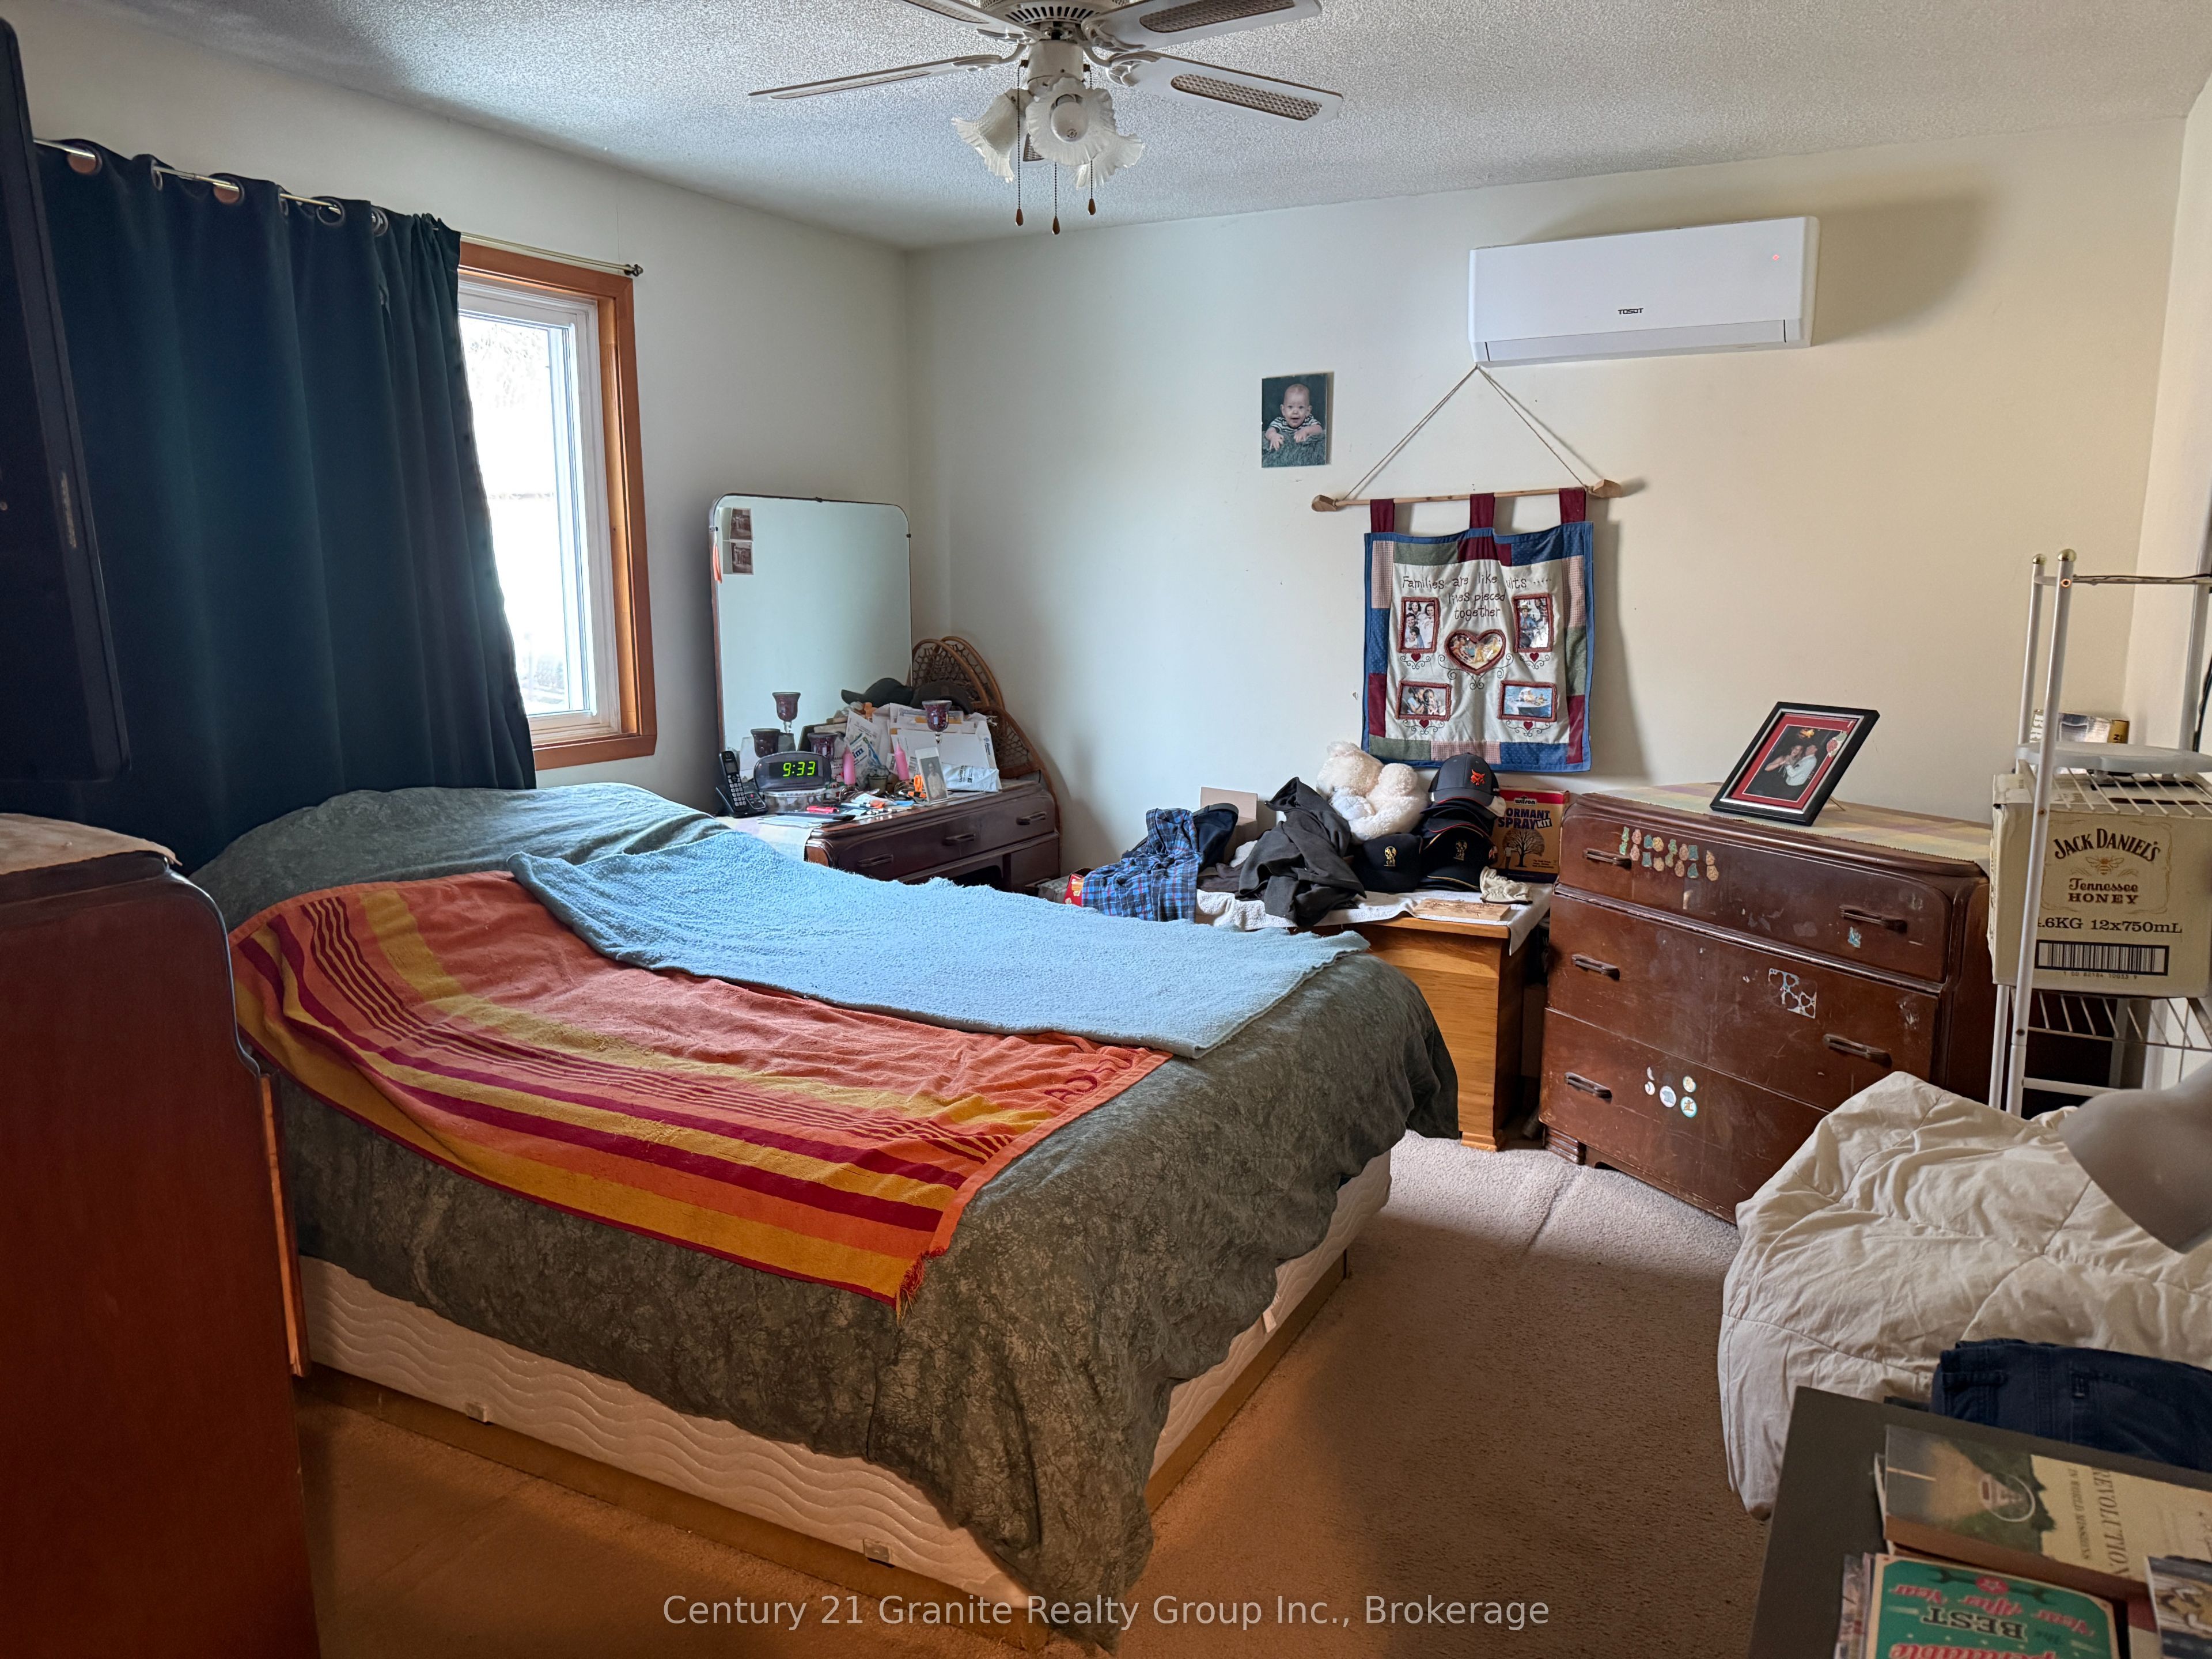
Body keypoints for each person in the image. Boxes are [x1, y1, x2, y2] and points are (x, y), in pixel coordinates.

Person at [1262, 381, 1327, 467]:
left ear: (1308, 411)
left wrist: (1306, 431)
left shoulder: (1308, 421)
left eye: (1301, 407)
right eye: (1290, 407)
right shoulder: (1281, 422)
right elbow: (1269, 431)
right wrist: (1273, 436)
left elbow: (1319, 429)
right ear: (1283, 410)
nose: (1295, 412)